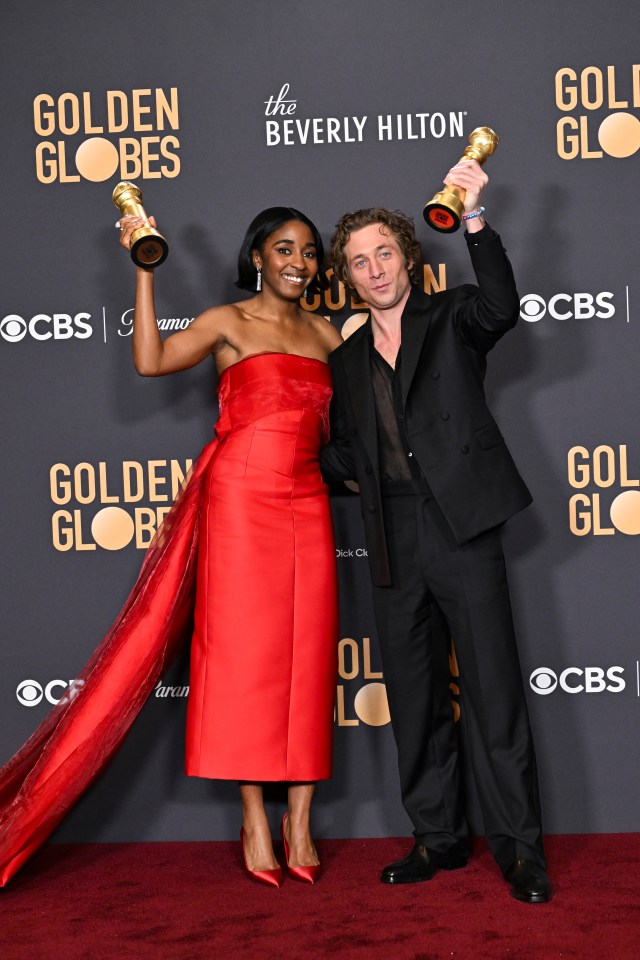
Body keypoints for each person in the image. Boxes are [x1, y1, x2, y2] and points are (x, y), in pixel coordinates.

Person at [0, 206, 342, 889]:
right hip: (241, 503)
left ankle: (300, 819)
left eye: (308, 251)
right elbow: (151, 360)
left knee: (309, 655)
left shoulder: (329, 334)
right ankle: (253, 819)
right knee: (246, 659)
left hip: (310, 502)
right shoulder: (227, 323)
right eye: (283, 248)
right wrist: (143, 272)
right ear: (258, 258)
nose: (297, 261)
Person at [319, 160, 552, 903]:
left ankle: (520, 851)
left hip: (461, 527)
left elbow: (504, 307)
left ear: (409, 258)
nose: (374, 268)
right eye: (358, 260)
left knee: (493, 693)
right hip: (392, 538)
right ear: (347, 277)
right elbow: (342, 450)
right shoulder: (344, 360)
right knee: (414, 702)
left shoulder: (453, 318)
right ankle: (438, 837)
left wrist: (476, 217)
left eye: (384, 252)